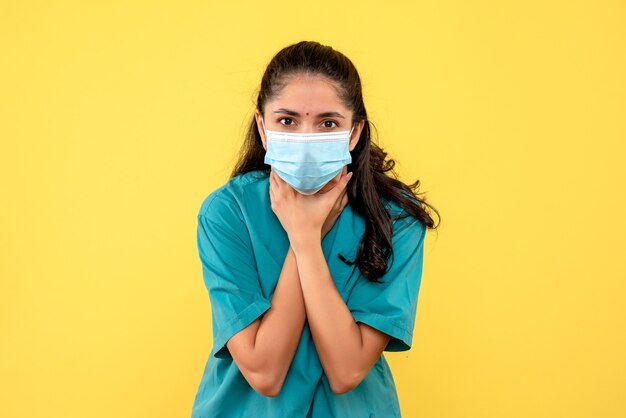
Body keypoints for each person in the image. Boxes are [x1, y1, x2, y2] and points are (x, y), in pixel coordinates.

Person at [191, 40, 440, 418]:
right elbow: (264, 372)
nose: (306, 139)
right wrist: (304, 233)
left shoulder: (397, 219)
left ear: (354, 133)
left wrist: (307, 240)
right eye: (287, 121)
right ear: (262, 125)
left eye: (328, 123)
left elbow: (347, 370)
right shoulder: (227, 213)